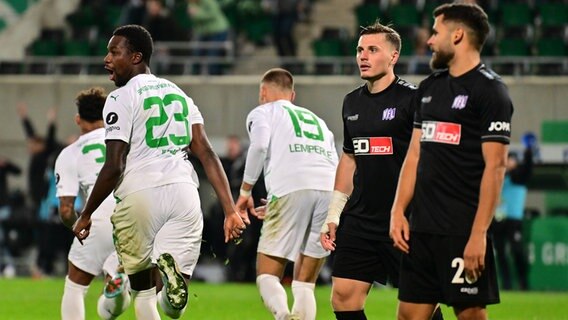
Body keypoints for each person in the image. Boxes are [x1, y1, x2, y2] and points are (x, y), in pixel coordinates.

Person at [72, 24, 246, 320]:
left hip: (140, 195)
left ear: (137, 56)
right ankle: (172, 289)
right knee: (173, 308)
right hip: (184, 194)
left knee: (142, 293)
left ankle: (157, 288)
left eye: (114, 52)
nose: (107, 59)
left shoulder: (121, 97)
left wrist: (86, 213)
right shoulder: (179, 94)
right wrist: (230, 210)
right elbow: (205, 151)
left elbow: (114, 165)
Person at [389, 3, 513, 319]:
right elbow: (414, 155)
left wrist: (478, 235)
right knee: (408, 316)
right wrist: (398, 210)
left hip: (461, 230)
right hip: (422, 230)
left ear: (457, 35)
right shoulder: (429, 89)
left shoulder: (490, 91)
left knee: (470, 314)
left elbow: (496, 168)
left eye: (436, 32)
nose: (429, 41)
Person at [318, 21, 443, 320]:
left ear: (393, 56)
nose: (363, 56)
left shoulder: (413, 100)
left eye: (373, 50)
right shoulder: (351, 102)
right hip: (361, 218)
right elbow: (349, 158)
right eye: (360, 49)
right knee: (344, 297)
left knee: (418, 310)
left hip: (404, 219)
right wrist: (334, 213)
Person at [236, 68, 338, 320]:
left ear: (263, 92)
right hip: (329, 190)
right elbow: (334, 161)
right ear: (292, 95)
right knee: (305, 283)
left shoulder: (262, 112)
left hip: (291, 190)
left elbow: (259, 146)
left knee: (267, 275)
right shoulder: (318, 121)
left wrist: (245, 190)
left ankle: (283, 315)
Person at [55, 87, 130, 320]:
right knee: (123, 283)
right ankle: (115, 282)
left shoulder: (70, 153)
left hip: (97, 213)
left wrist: (78, 226)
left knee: (75, 285)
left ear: (78, 120)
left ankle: (114, 283)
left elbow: (66, 210)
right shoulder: (125, 141)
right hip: (133, 210)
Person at [493, 132, 535, 291]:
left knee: (517, 251)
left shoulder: (520, 177)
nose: (510, 162)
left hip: (514, 220)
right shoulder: (498, 177)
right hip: (498, 219)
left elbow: (528, 167)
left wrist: (529, 150)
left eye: (513, 160)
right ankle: (507, 285)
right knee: (501, 254)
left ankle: (523, 282)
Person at [187, 0, 231, 75]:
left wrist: (198, 14)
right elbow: (194, 18)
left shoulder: (209, 1)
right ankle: (195, 74)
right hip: (204, 33)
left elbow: (213, 14)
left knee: (213, 54)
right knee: (197, 53)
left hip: (218, 31)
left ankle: (216, 75)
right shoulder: (191, 4)